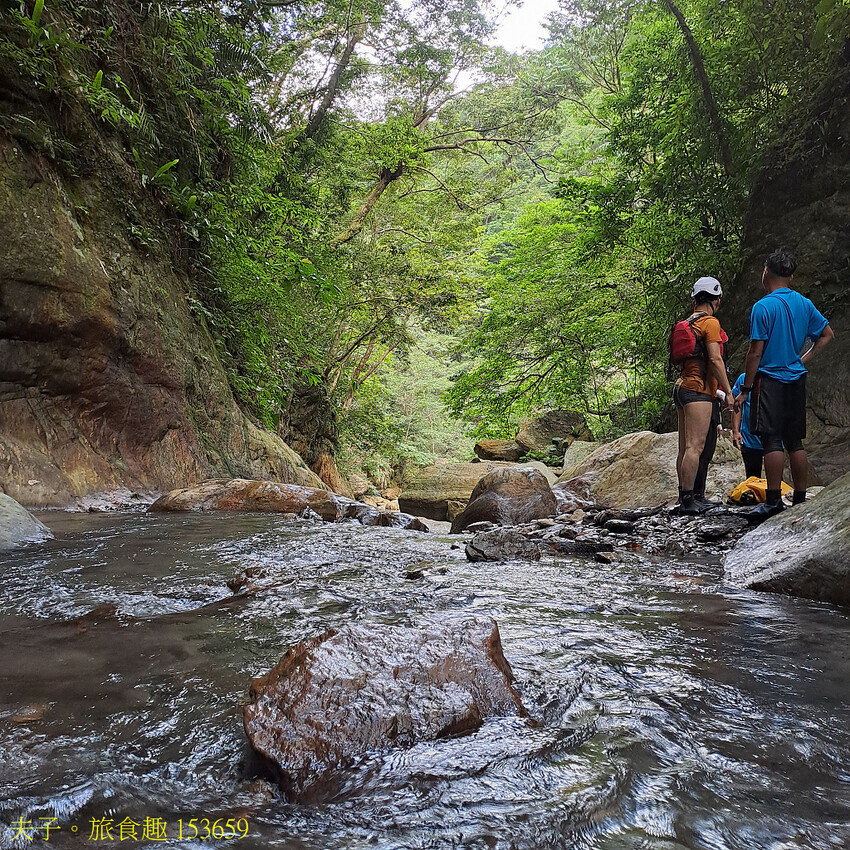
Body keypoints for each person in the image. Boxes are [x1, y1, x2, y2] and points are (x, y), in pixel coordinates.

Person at [733, 251, 834, 522]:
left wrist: (746, 389)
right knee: (794, 441)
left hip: (770, 379)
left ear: (766, 272)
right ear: (791, 277)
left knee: (771, 440)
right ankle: (800, 498)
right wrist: (803, 359)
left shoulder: (763, 307)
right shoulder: (804, 303)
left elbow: (755, 352)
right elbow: (826, 334)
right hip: (796, 378)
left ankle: (773, 501)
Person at [672, 277, 734, 514]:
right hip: (698, 391)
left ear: (695, 300)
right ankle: (689, 502)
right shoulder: (710, 323)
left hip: (681, 387)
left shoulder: (686, 323)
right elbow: (715, 359)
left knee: (684, 448)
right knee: (695, 448)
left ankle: (686, 497)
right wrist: (728, 392)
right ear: (715, 300)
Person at [731, 371, 767, 478]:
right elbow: (737, 406)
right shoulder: (744, 378)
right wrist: (735, 431)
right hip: (749, 439)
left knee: (775, 479)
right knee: (752, 478)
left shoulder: (776, 377)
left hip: (773, 439)